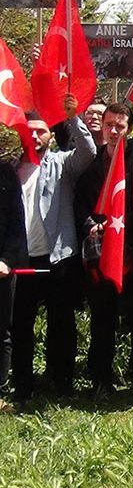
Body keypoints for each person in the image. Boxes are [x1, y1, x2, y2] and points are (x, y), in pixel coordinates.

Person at [11, 108, 95, 403]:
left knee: (62, 323)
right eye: (29, 131)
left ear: (50, 135)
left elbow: (88, 151)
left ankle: (62, 383)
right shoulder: (11, 169)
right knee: (21, 324)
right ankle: (23, 386)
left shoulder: (61, 163)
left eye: (41, 131)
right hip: (23, 260)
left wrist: (72, 117)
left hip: (58, 258)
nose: (34, 136)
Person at [74, 102, 133, 395]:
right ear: (102, 127)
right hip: (102, 254)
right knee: (102, 317)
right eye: (109, 125)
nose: (114, 131)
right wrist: (90, 224)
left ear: (129, 129)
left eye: (120, 126)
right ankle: (101, 379)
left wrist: (120, 224)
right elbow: (80, 202)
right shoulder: (92, 164)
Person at [0, 153, 24, 402]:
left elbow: (17, 223)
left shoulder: (7, 174)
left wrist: (7, 259)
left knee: (2, 332)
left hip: (2, 268)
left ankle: (1, 388)